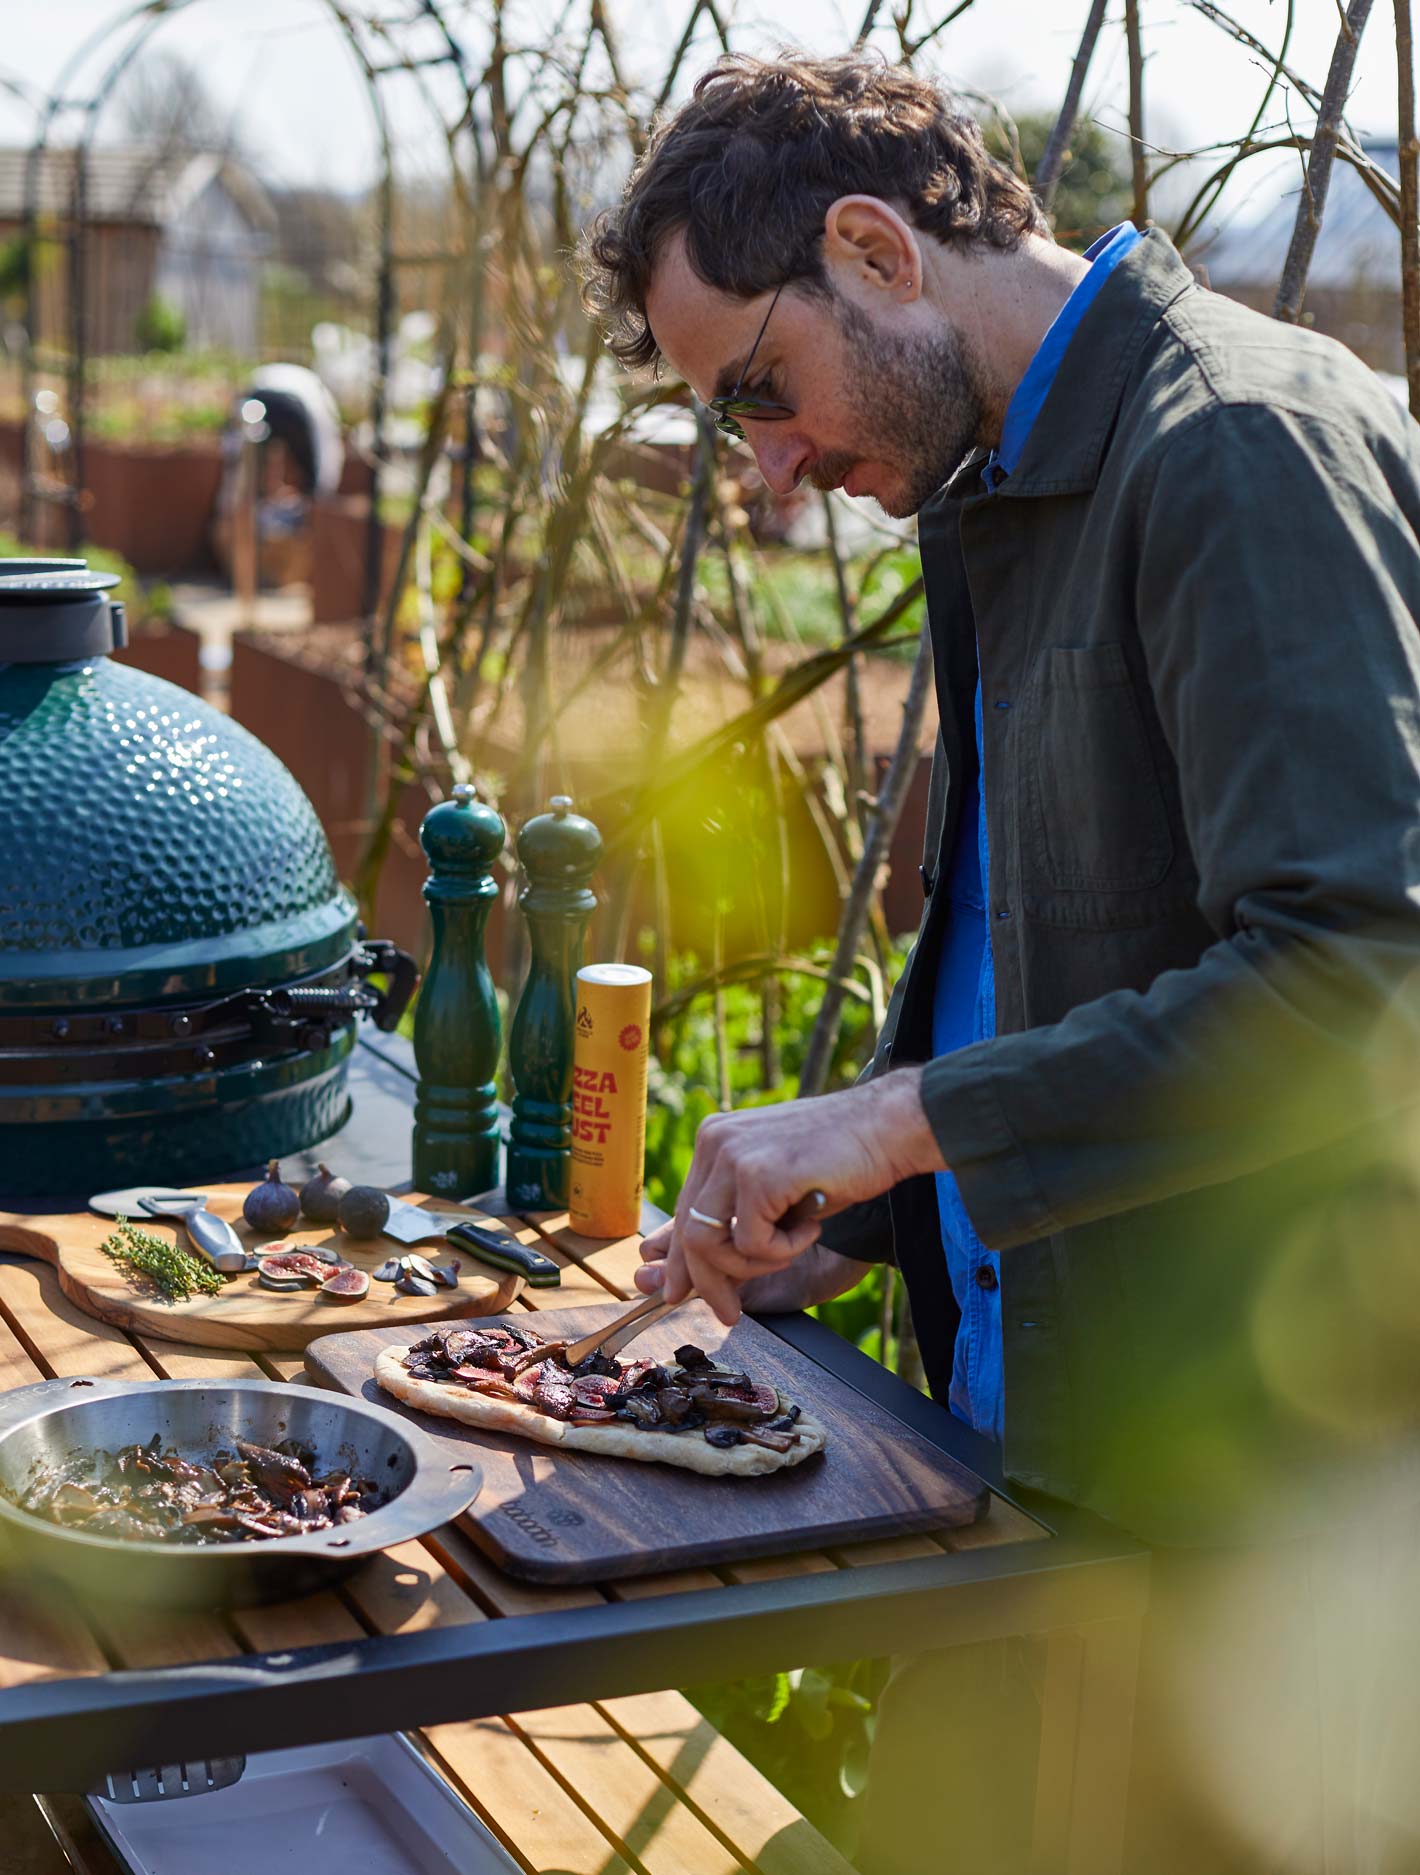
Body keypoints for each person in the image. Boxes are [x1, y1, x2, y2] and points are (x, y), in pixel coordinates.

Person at [579, 50, 1420, 1875]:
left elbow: (1361, 980)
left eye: (760, 395)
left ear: (876, 246)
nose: (776, 469)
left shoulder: (1237, 449)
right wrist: (860, 1219)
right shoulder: (1006, 494)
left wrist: (892, 1128)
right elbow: (1075, 970)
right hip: (1029, 1475)